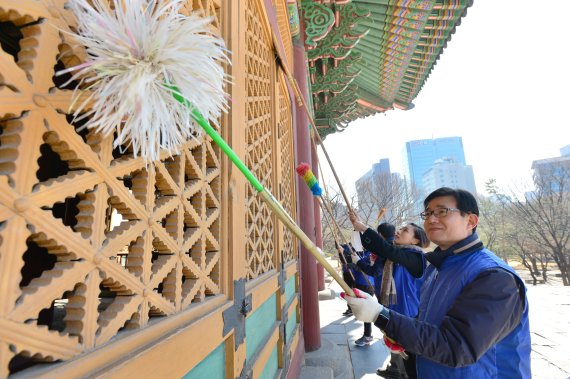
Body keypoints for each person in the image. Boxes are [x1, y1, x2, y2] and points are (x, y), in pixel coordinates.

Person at [343, 187, 531, 379]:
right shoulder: (437, 266)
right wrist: (403, 334)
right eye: (428, 213)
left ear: (471, 221)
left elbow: (456, 346)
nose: (431, 219)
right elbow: (428, 319)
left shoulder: (494, 277)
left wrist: (381, 315)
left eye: (442, 212)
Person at [354, 222, 429, 379]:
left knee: (411, 359)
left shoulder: (416, 257)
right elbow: (380, 248)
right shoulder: (396, 255)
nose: (399, 231)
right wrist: (360, 233)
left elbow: (386, 250)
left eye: (405, 230)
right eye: (400, 228)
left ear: (415, 241)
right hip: (396, 310)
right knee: (400, 351)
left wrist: (364, 228)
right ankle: (396, 370)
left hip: (409, 314)